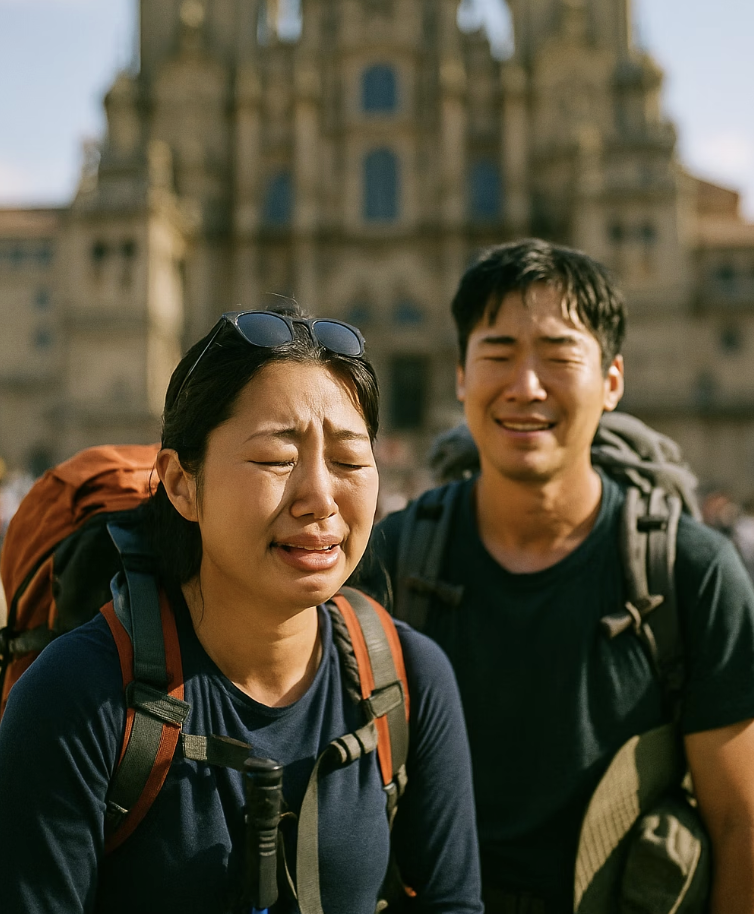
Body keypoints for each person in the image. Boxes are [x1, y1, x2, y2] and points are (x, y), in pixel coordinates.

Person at [0, 308, 483, 914]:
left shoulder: (409, 677)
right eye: (277, 458)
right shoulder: (77, 698)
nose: (320, 498)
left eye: (349, 460)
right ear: (181, 484)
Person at [352, 240, 754, 914]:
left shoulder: (693, 572)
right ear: (460, 375)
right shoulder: (389, 558)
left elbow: (741, 829)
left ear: (613, 381)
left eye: (560, 356)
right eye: (499, 355)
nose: (526, 386)